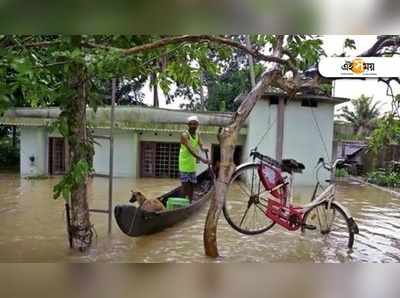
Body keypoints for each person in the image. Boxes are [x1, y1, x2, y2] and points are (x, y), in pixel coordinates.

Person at [179, 115, 209, 202]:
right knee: (185, 186)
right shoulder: (184, 135)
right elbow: (191, 150)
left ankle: (190, 202)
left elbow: (200, 144)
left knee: (192, 185)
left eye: (195, 124)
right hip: (184, 163)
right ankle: (181, 203)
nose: (193, 126)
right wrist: (202, 159)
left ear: (197, 125)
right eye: (191, 124)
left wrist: (203, 148)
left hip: (192, 164)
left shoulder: (197, 134)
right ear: (188, 125)